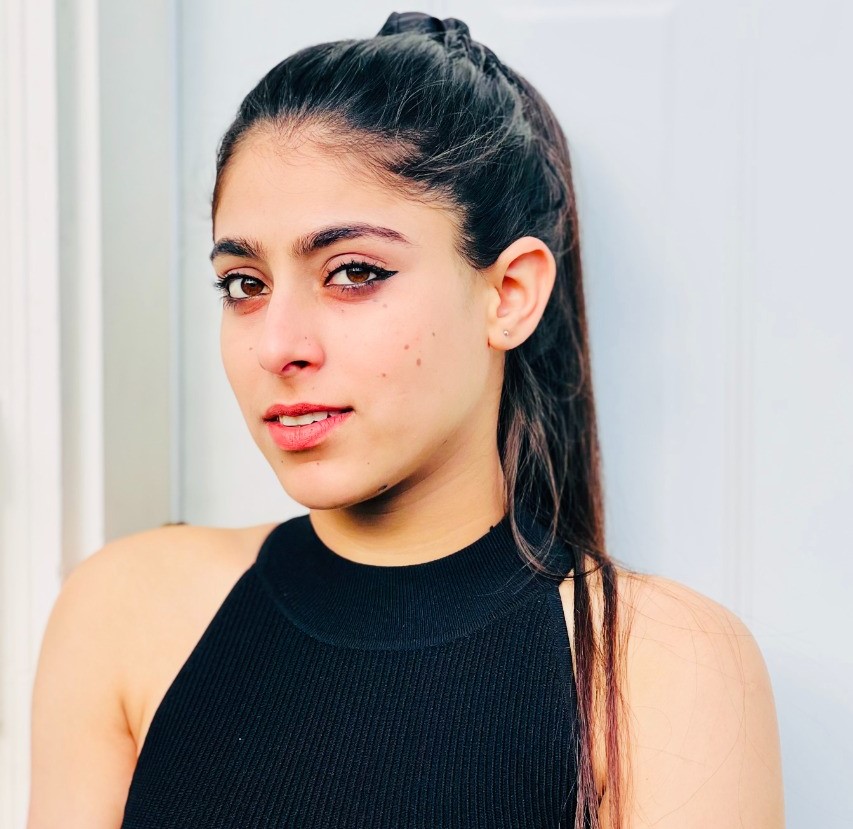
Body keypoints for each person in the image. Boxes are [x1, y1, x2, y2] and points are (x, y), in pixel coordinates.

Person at [27, 11, 784, 829]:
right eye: (244, 284)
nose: (276, 345)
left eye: (353, 272)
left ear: (509, 294)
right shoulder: (127, 610)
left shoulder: (662, 669)